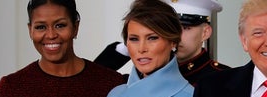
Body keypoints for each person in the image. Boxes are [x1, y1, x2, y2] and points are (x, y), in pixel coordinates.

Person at [94, 0, 229, 86]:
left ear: (205, 32)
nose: (176, 35)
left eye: (185, 28)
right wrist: (125, 48)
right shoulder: (145, 73)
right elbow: (93, 80)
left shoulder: (223, 78)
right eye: (164, 30)